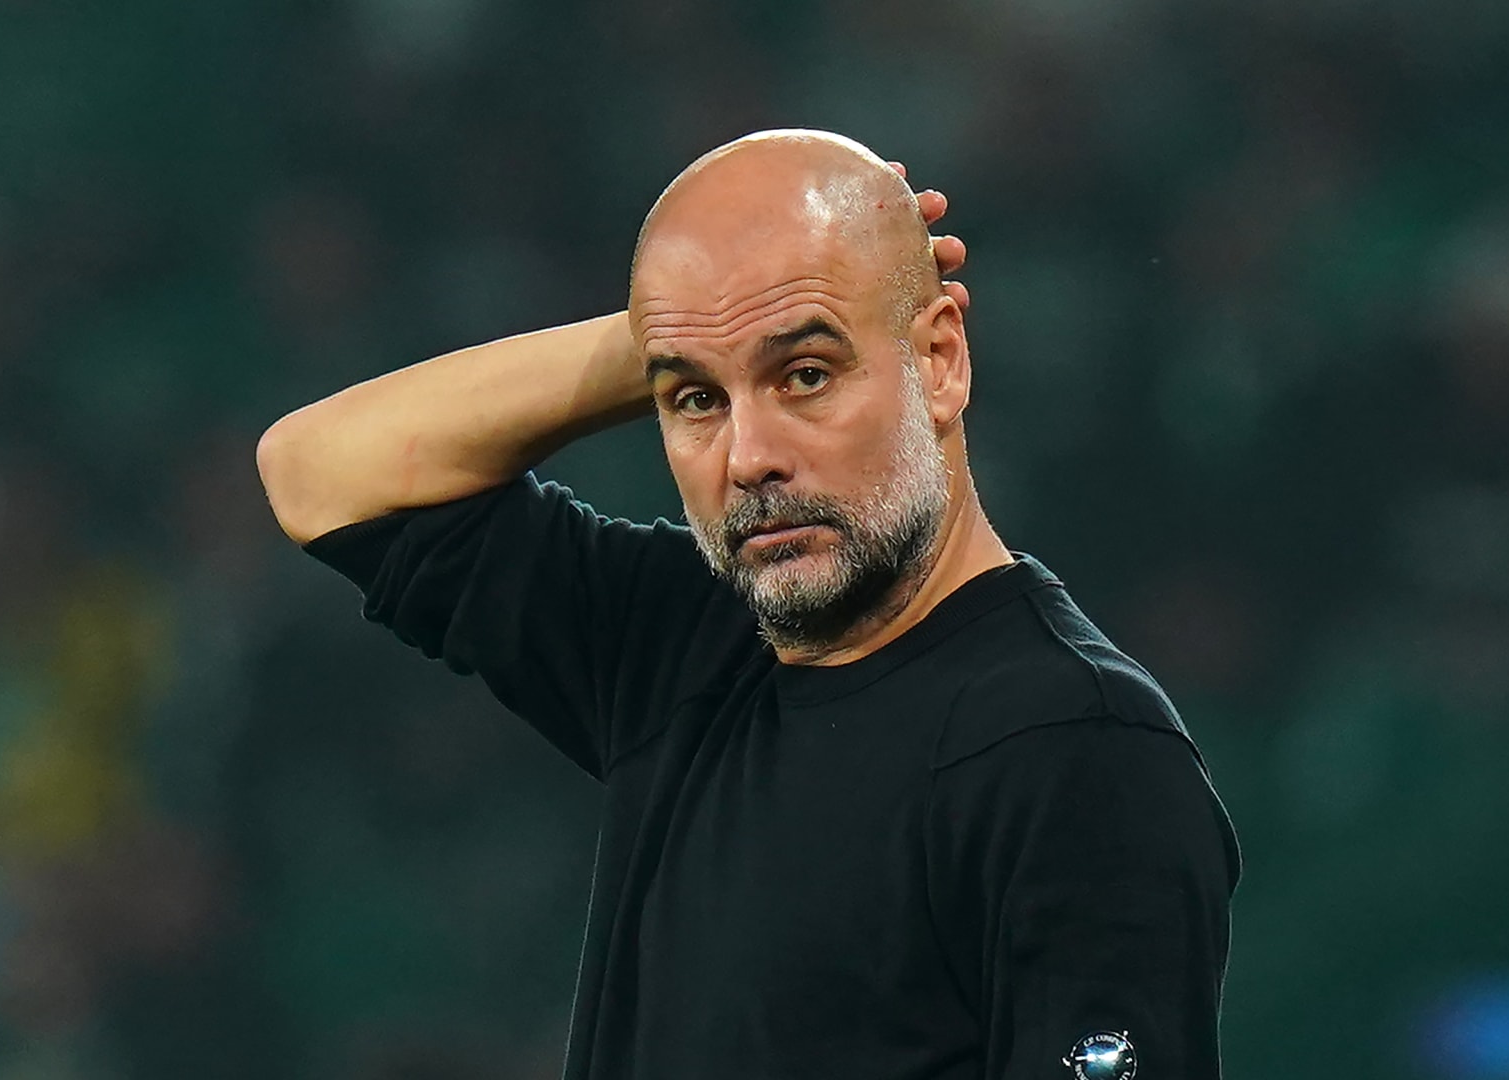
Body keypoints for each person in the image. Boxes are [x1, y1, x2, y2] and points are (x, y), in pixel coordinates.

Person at [257, 129, 1240, 1080]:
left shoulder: (1076, 751)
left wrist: (720, 327)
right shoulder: (682, 647)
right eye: (696, 401)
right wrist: (679, 323)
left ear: (939, 360)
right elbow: (320, 474)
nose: (749, 456)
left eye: (804, 375)